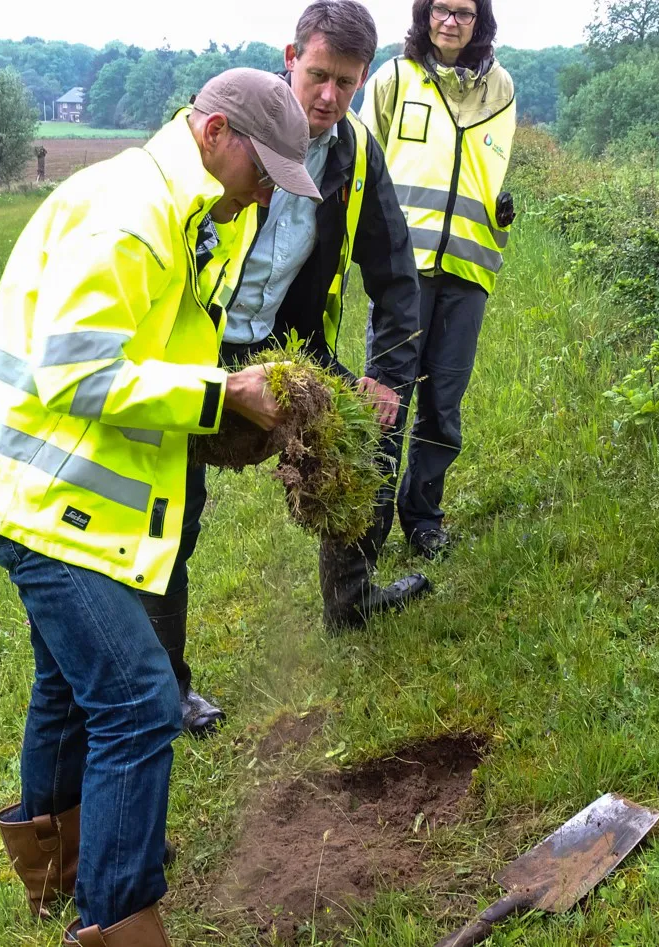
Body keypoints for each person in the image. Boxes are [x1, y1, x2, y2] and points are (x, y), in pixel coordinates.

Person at [0, 69, 318, 946]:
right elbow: (80, 372)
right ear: (214, 133)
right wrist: (219, 395)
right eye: (262, 169)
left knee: (69, 681)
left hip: (53, 490)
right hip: (29, 493)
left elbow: (147, 354)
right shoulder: (128, 211)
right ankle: (119, 922)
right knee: (137, 699)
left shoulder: (183, 209)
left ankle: (54, 876)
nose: (262, 193)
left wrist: (234, 407)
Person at [141, 0, 432, 731]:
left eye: (346, 81)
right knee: (172, 516)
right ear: (288, 58)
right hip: (191, 347)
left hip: (283, 342)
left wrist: (387, 375)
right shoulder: (220, 134)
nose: (328, 97)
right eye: (317, 75)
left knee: (365, 438)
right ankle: (167, 687)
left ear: (364, 79)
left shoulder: (356, 154)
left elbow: (395, 272)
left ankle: (352, 597)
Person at [359, 0, 516, 561]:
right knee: (386, 400)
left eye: (464, 12)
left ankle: (423, 517)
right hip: (403, 274)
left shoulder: (502, 89)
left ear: (480, 22)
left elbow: (490, 170)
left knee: (443, 408)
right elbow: (362, 163)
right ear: (425, 15)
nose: (451, 21)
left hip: (469, 273)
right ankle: (366, 526)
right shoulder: (394, 78)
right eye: (442, 9)